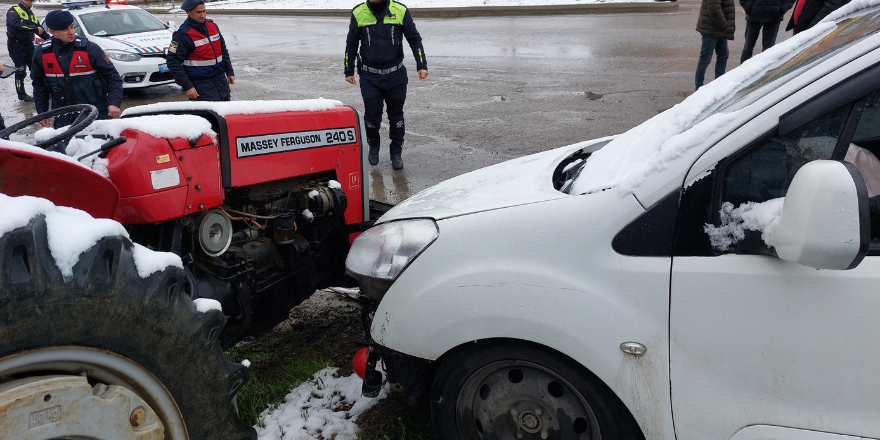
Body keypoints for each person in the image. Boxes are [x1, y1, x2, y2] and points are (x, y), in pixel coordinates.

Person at [344, 0, 428, 170]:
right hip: (370, 77)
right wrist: (348, 70)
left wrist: (421, 64)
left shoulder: (400, 10)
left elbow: (415, 39)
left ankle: (396, 152)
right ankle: (373, 145)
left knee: (396, 117)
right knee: (372, 117)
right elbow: (351, 43)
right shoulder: (358, 12)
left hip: (396, 76)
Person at [31, 10, 123, 128]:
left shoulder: (90, 49)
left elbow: (113, 77)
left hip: (96, 112)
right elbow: (39, 85)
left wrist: (114, 103)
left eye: (71, 27)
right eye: (65, 29)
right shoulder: (41, 53)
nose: (71, 32)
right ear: (52, 32)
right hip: (63, 116)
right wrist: (42, 112)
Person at [166, 0, 235, 102]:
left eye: (204, 11)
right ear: (188, 12)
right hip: (201, 86)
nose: (202, 15)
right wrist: (188, 86)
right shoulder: (182, 35)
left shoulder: (212, 26)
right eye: (198, 12)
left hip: (220, 81)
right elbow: (173, 62)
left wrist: (229, 71)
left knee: (225, 113)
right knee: (209, 117)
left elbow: (223, 50)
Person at [6, 0, 50, 102]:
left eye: (31, 0)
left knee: (36, 69)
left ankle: (43, 90)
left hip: (28, 45)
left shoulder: (31, 14)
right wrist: (34, 29)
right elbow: (16, 25)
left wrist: (51, 40)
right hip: (15, 45)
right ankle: (21, 94)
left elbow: (40, 30)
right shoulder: (13, 11)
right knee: (20, 70)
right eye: (28, 0)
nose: (30, 2)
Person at [695, 0, 735, 90]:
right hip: (712, 29)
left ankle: (719, 84)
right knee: (705, 59)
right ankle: (698, 87)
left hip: (719, 29)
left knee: (723, 55)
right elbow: (713, 7)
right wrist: (724, 25)